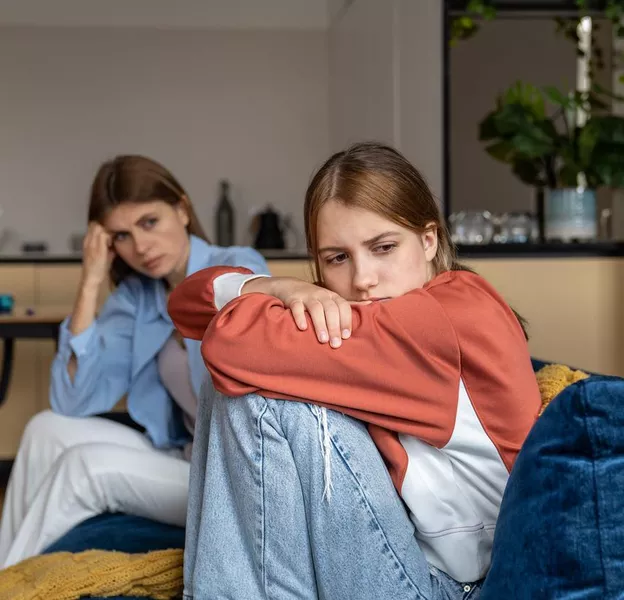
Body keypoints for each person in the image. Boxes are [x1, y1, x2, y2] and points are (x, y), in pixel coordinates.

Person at [168, 142, 541, 600]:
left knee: (260, 393)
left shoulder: (446, 316)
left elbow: (226, 346)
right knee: (252, 381)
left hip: (454, 590)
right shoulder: (383, 320)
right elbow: (185, 307)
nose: (362, 279)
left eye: (383, 248)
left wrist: (270, 298)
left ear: (429, 240)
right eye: (337, 258)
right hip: (416, 564)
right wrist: (273, 285)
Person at [0, 155, 268, 568]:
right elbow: (71, 402)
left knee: (84, 467)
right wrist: (89, 282)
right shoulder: (138, 298)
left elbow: (247, 309)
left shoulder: (238, 265)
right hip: (180, 454)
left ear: (181, 209)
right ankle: (7, 574)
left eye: (149, 222)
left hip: (229, 476)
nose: (140, 247)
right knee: (45, 429)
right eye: (121, 235)